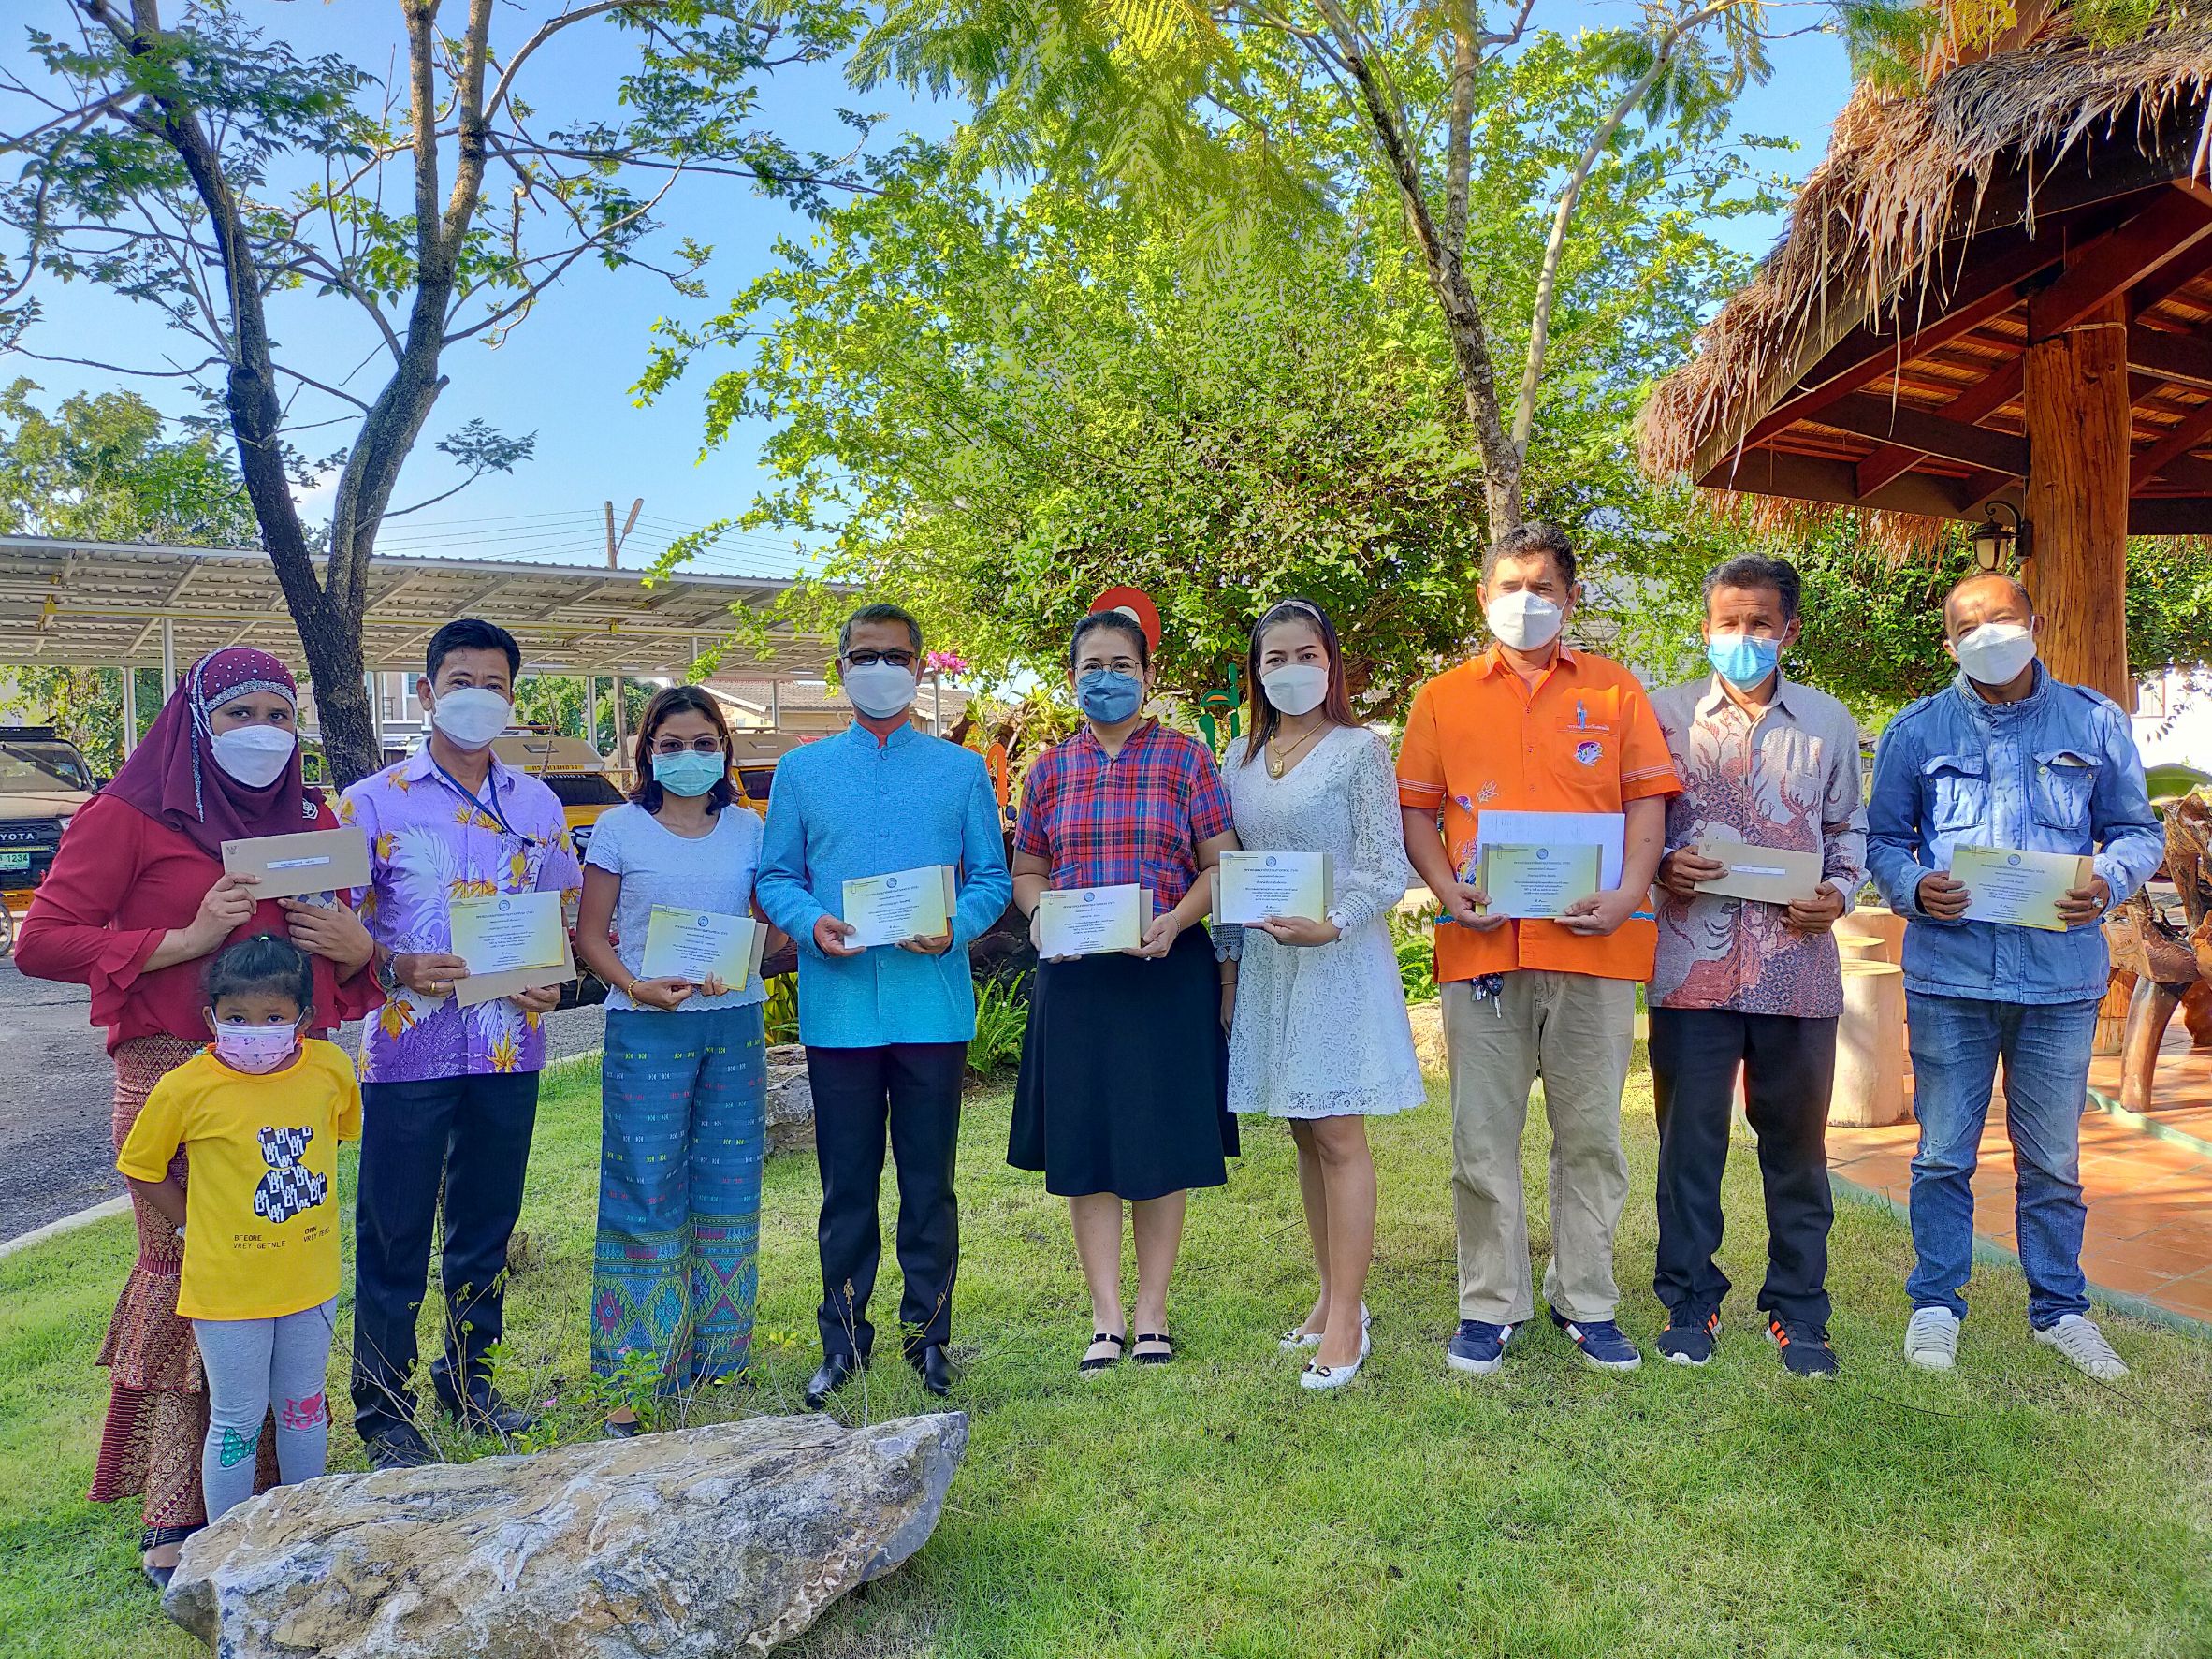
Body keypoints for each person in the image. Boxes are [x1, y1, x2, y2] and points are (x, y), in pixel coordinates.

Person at [16, 647, 376, 1584]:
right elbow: (41, 941)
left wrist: (355, 947)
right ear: (194, 722)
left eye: (279, 714)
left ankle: (281, 1489)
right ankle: (176, 1509)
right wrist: (187, 938)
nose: (263, 733)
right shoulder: (129, 816)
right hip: (174, 1074)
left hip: (286, 1083)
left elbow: (343, 964)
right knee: (190, 1278)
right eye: (238, 714)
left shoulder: (313, 821)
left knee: (277, 1268)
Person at [1398, 521, 1681, 1375]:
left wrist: (1629, 894)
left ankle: (1586, 1298)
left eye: (1543, 588)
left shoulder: (1616, 691)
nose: (1526, 602)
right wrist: (1446, 890)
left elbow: (1647, 805)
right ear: (1483, 597)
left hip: (1595, 947)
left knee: (1591, 1135)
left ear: (1571, 597)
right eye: (1510, 587)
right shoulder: (1442, 698)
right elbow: (1417, 810)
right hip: (1484, 946)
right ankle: (1490, 1302)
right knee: (1481, 1137)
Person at [1867, 572, 2160, 1381]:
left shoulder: (2094, 722)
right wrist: (1912, 885)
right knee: (1941, 1154)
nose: (1988, 633)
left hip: (2059, 983)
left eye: (2002, 617)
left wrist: (2109, 879)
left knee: (2053, 1161)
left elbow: (2137, 831)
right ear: (1949, 644)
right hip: (1950, 978)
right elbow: (1882, 839)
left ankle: (2060, 1309)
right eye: (1969, 625)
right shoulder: (1916, 731)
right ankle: (1935, 1303)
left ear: (2036, 622)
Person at [340, 618, 583, 1467]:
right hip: (407, 1048)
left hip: (508, 1047)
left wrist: (553, 982)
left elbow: (559, 921)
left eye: (494, 683)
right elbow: (332, 926)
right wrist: (396, 964)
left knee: (485, 1225)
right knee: (395, 1229)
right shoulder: (372, 801)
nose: (477, 696)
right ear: (426, 692)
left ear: (512, 698)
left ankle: (470, 1380)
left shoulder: (538, 805)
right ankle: (383, 1409)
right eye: (459, 681)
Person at [755, 604, 1011, 1407]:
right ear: (840, 667)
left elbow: (992, 879)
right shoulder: (801, 772)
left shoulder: (960, 771)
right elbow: (774, 877)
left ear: (919, 667)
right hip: (840, 1012)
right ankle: (842, 1338)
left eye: (895, 655)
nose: (880, 668)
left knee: (929, 1183)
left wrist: (956, 925)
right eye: (864, 655)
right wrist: (809, 922)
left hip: (931, 1008)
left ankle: (928, 1335)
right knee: (846, 1186)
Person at [1648, 555, 1865, 1378]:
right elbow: (1637, 824)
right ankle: (1689, 1300)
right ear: (1707, 627)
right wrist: (1663, 865)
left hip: (1796, 969)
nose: (1743, 636)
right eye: (1728, 622)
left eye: (1760, 623)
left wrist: (1839, 894)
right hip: (1690, 970)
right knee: (1689, 1148)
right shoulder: (1663, 716)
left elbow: (1847, 830)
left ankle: (1799, 1310)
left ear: (1789, 630)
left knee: (1798, 1150)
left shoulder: (1828, 723)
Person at [1010, 608, 1240, 1375]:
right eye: (1091, 667)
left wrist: (1177, 919)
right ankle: (1105, 1317)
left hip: (1163, 971)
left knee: (1160, 1141)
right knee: (1088, 1144)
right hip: (1077, 980)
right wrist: (1041, 915)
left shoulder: (1186, 759)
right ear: (1071, 677)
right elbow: (1029, 870)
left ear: (1148, 675)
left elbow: (1219, 864)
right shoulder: (1048, 770)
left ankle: (1152, 1313)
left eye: (1121, 665)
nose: (1105, 679)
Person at [1217, 599, 1422, 1391]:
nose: (1292, 669)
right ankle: (1333, 1295)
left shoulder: (1360, 752)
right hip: (1272, 968)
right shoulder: (1238, 755)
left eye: (1306, 653)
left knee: (1338, 1133)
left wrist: (1332, 923)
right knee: (1304, 1131)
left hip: (1336, 958)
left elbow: (1386, 867)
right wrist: (1229, 970)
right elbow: (1230, 873)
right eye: (1275, 657)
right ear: (1256, 670)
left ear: (1330, 662)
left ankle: (1347, 1322)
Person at [575, 686, 783, 1433]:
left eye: (703, 742)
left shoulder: (750, 830)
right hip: (647, 1025)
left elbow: (772, 927)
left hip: (733, 1022)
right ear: (648, 752)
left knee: (730, 1182)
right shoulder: (618, 828)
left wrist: (751, 956)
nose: (688, 756)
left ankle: (721, 1356)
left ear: (724, 750)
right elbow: (590, 935)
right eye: (671, 744)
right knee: (645, 1186)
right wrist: (636, 984)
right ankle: (635, 1371)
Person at [115, 936, 359, 1538]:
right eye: (238, 1018)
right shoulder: (186, 1087)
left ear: (303, 1018)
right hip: (227, 1289)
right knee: (237, 1420)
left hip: (310, 1281)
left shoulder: (330, 1069)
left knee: (304, 1406)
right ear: (212, 1018)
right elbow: (141, 1165)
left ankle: (306, 1527)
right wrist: (188, 1222)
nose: (256, 1031)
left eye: (274, 1017)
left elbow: (340, 1130)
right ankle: (225, 1547)